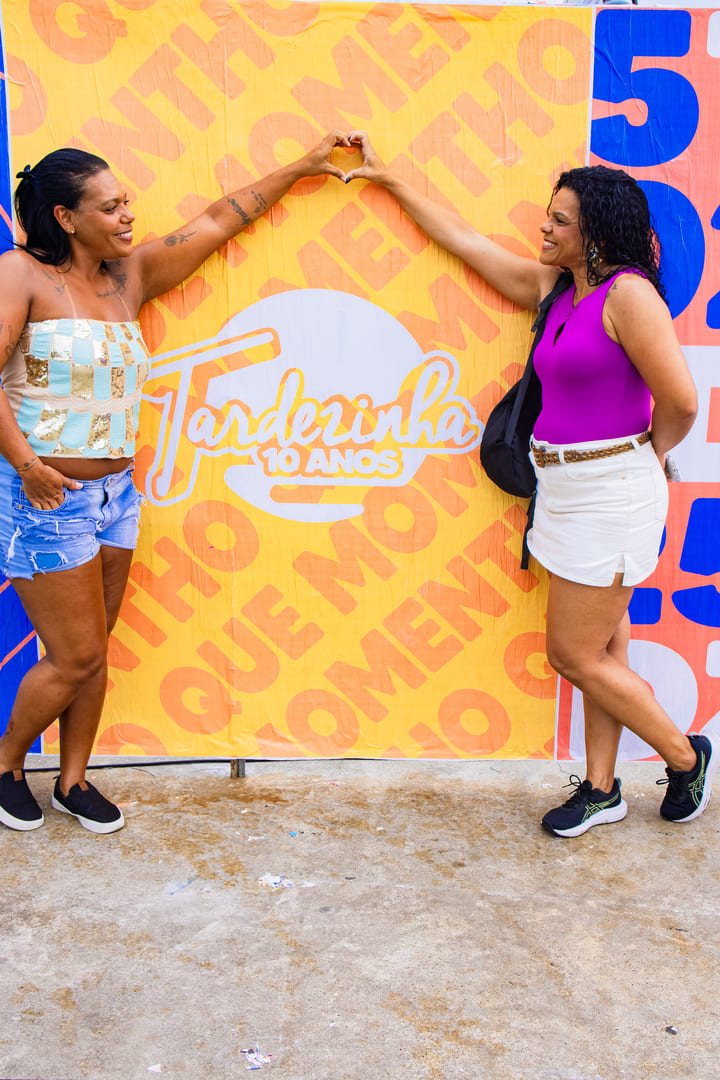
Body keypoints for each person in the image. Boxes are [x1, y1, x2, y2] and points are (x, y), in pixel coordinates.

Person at [343, 131, 716, 838]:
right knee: (604, 652)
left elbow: (682, 402)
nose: (543, 228)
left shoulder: (628, 295)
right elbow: (464, 242)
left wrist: (645, 454)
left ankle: (684, 756)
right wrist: (390, 179)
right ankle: (601, 789)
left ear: (595, 231)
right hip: (563, 492)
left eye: (559, 220)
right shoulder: (556, 292)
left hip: (612, 492)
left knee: (572, 654)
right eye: (548, 216)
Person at [0, 132, 351, 834]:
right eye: (110, 207)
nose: (128, 215)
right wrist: (30, 467)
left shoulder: (128, 276)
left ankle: (73, 780)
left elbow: (220, 220)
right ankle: (6, 764)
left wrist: (303, 166)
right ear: (66, 217)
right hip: (46, 497)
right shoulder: (21, 275)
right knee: (75, 656)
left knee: (94, 652)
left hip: (115, 498)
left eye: (126, 201)